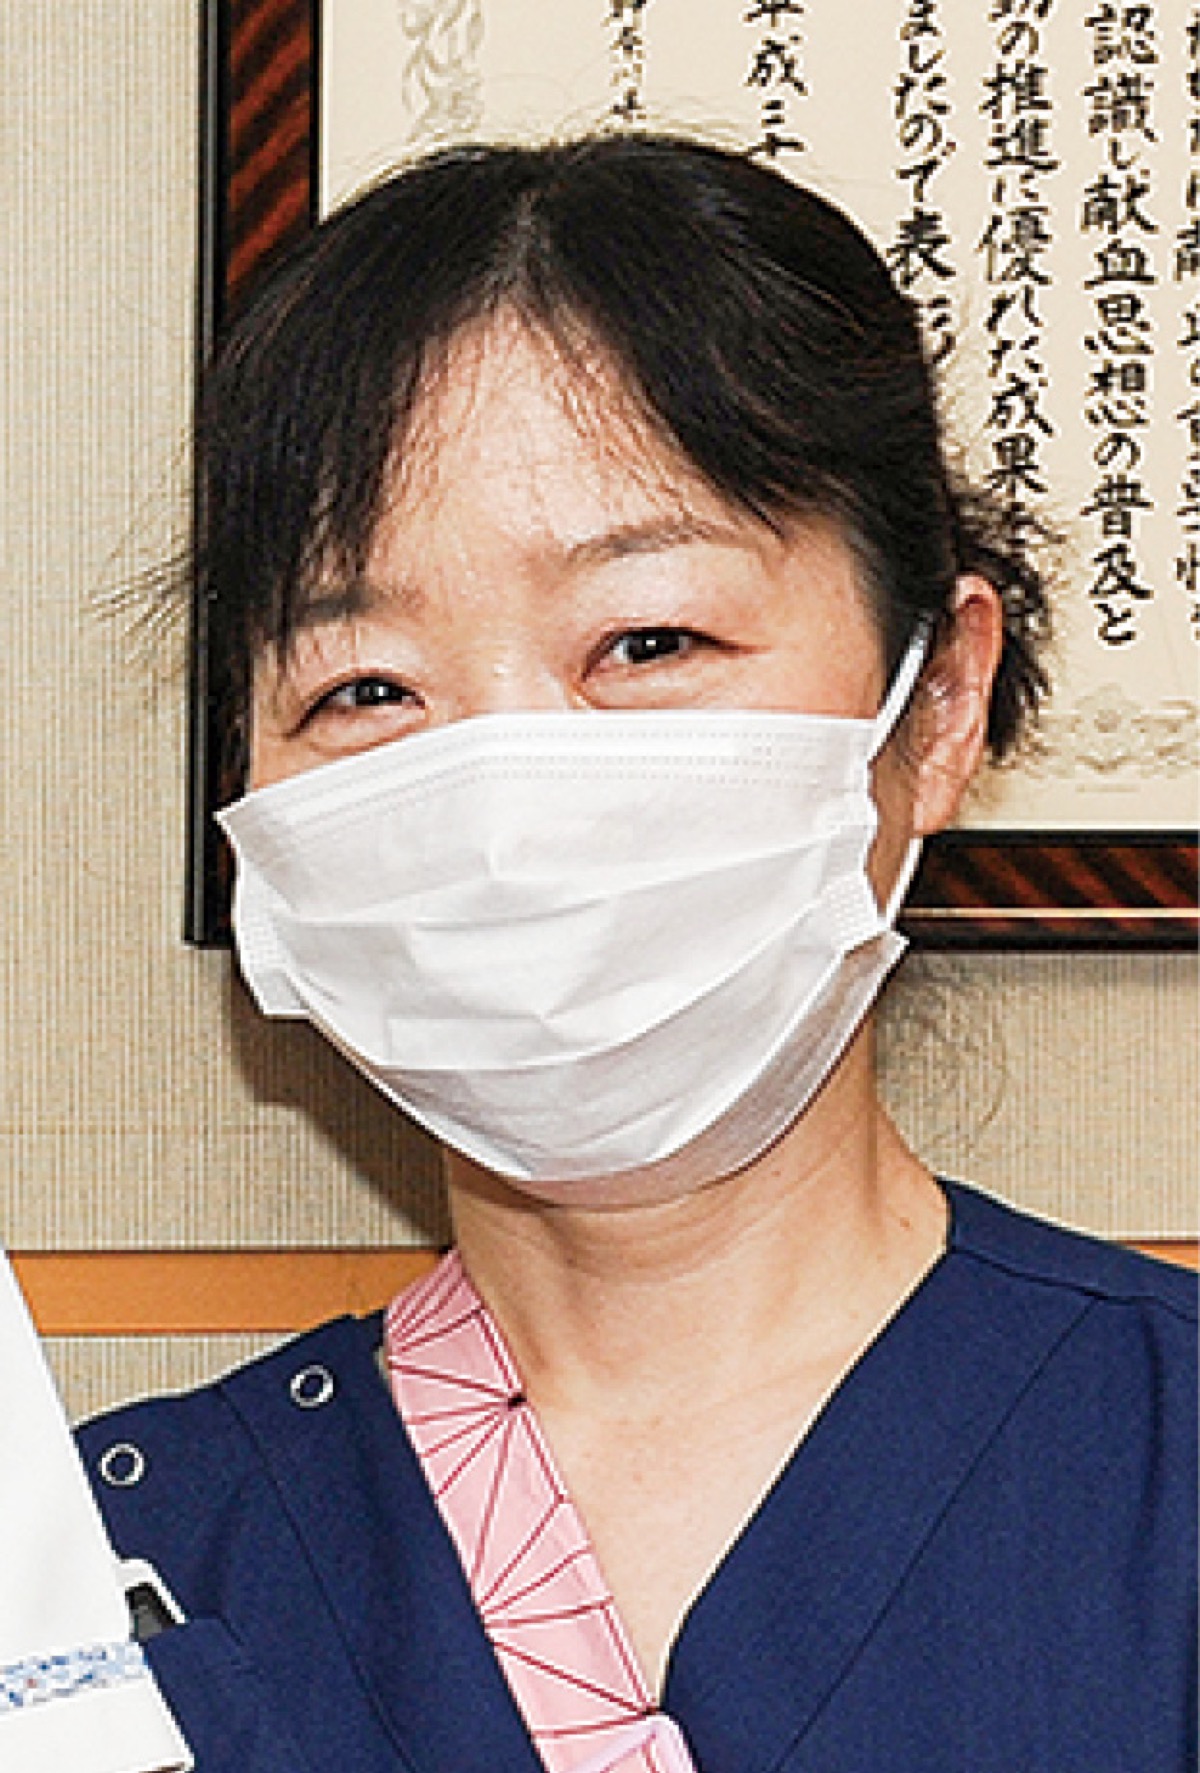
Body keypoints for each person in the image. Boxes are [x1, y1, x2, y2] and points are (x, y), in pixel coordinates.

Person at [78, 134, 1195, 1772]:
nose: (502, 804)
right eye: (366, 687)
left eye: (649, 639)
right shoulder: (109, 1585)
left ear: (941, 699)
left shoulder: (1167, 1475)